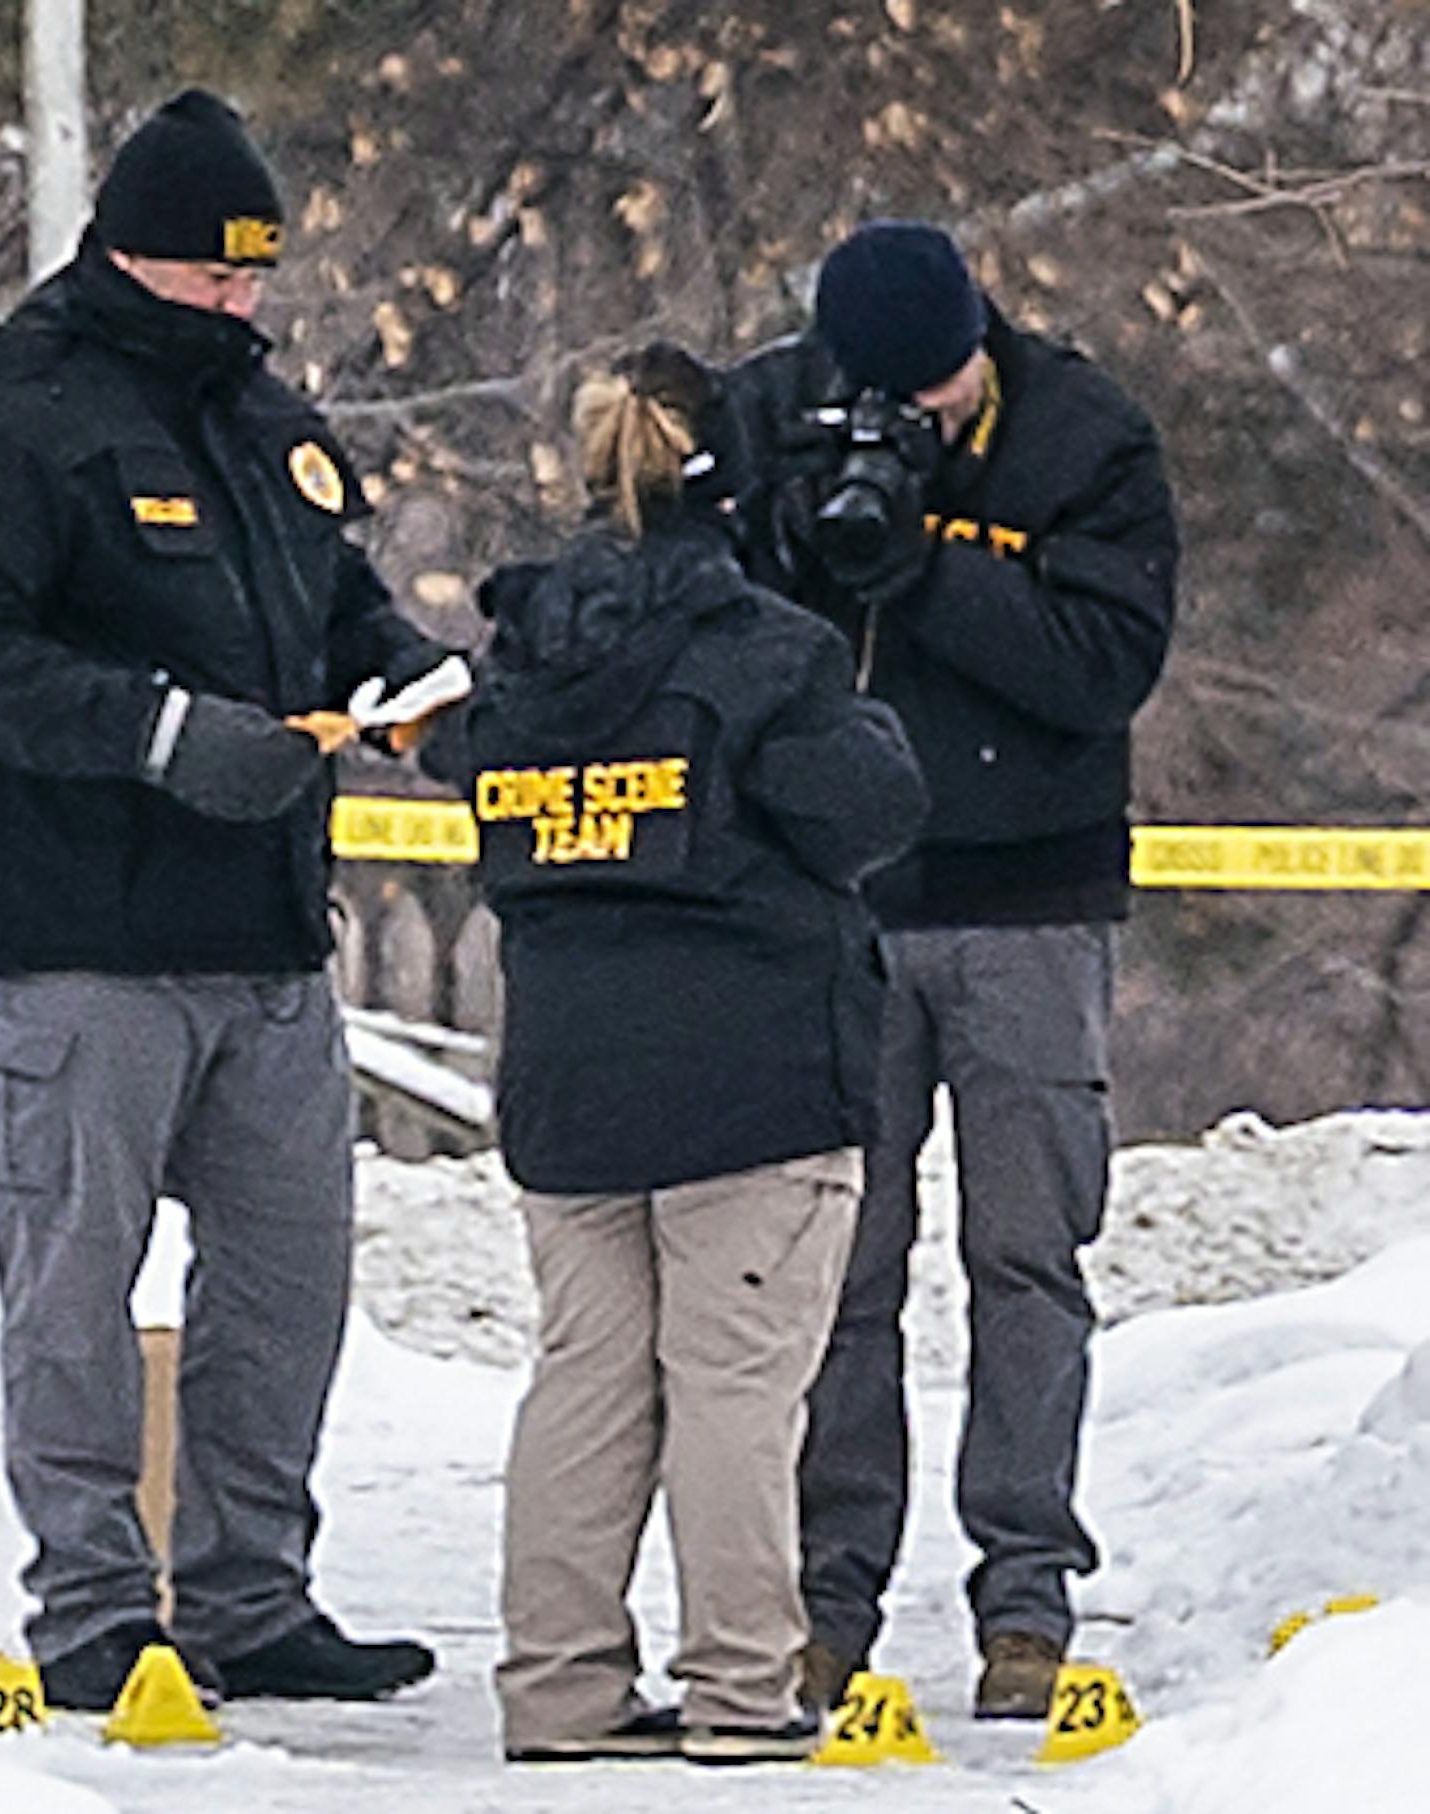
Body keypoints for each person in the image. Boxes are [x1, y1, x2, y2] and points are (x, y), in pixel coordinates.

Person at [0, 88, 458, 1710]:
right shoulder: (13, 421)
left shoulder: (265, 422)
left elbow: (340, 601)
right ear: (131, 251)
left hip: (260, 937)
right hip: (69, 940)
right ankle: (89, 1610)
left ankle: (249, 1596)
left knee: (287, 1281)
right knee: (74, 1290)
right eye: (216, 273)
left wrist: (402, 678)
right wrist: (159, 733)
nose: (241, 300)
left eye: (257, 273)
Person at [722, 220, 1179, 1719]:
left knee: (1027, 1257)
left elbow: (1101, 666)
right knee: (835, 1271)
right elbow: (714, 633)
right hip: (836, 906)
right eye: (884, 399)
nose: (909, 421)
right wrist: (802, 539)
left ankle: (1026, 1592)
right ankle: (827, 1594)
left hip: (1031, 898)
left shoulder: (1086, 436)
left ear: (981, 345)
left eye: (936, 395)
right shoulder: (773, 411)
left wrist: (919, 563)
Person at [450, 354, 926, 1765]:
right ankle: (739, 1687)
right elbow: (869, 810)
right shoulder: (765, 651)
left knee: (584, 1383)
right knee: (734, 1391)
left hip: (567, 1078)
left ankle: (557, 1689)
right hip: (752, 1081)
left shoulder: (521, 656)